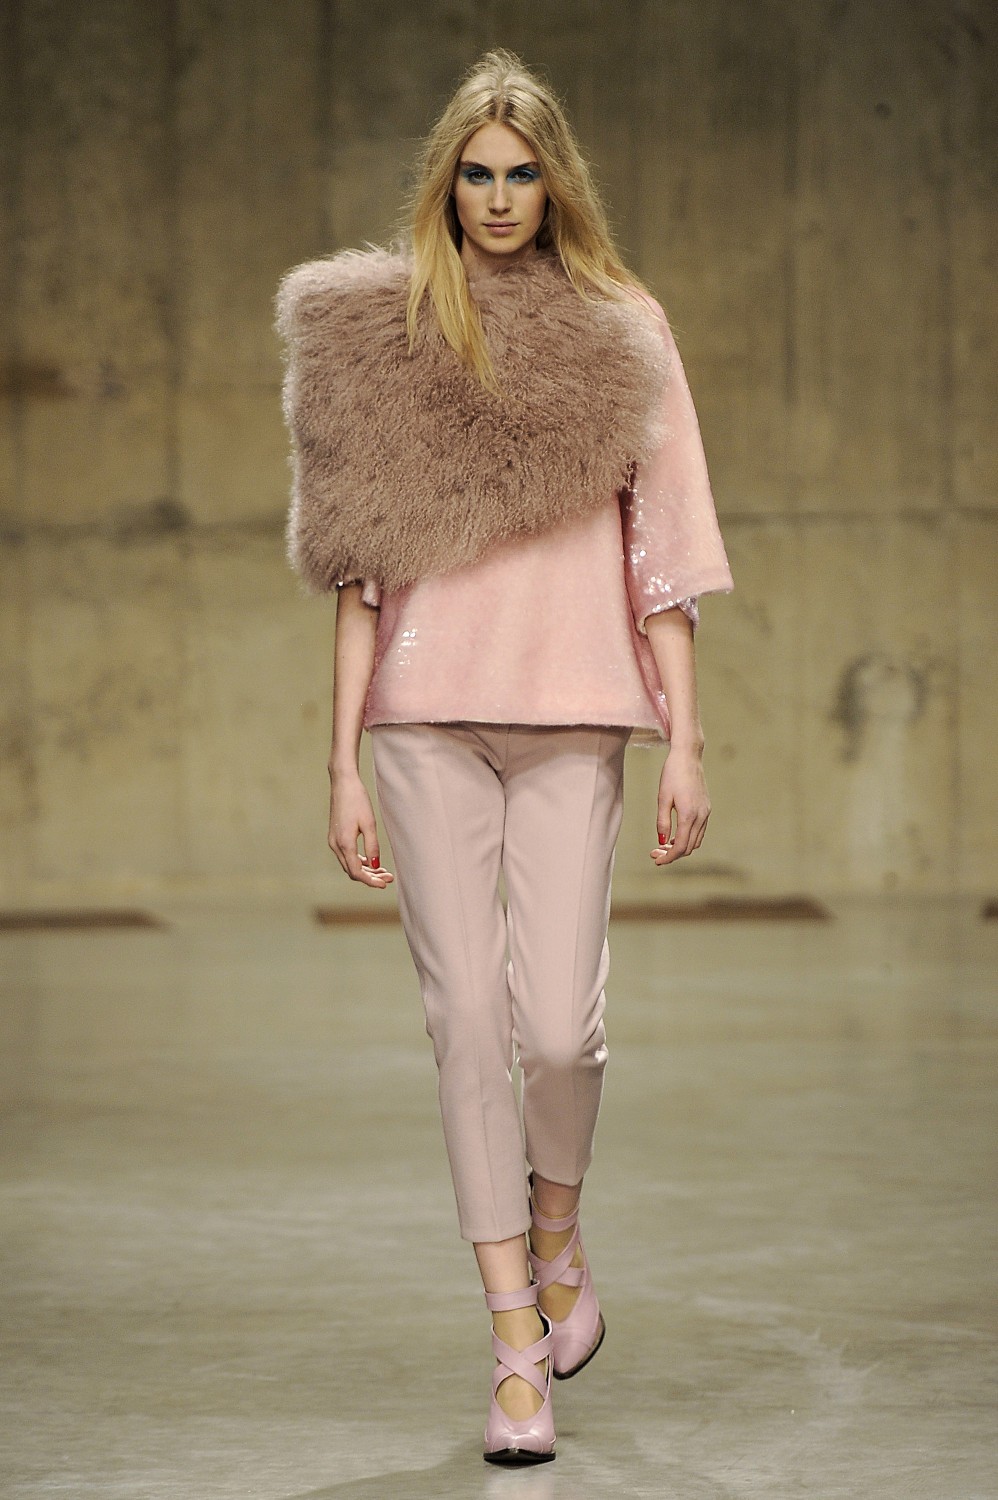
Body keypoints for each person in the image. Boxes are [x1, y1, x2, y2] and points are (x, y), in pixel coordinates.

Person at [275, 48, 733, 1466]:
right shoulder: (388, 333)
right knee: (466, 1018)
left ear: (555, 182)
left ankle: (556, 1234)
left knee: (557, 1032)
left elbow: (663, 548)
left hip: (575, 707)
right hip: (423, 714)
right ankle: (513, 1342)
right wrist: (340, 759)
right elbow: (358, 569)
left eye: (521, 173)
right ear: (445, 185)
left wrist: (686, 739)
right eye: (474, 174)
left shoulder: (622, 327)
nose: (495, 198)